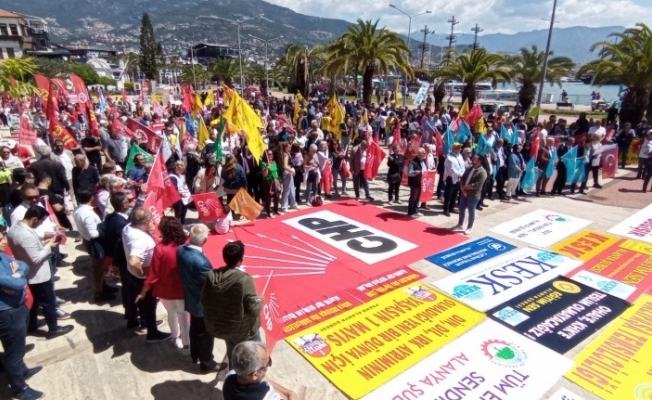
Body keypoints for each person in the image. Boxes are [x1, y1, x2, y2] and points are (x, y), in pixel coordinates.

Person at [7, 206, 73, 339]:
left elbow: (28, 242)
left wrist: (43, 237)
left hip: (27, 273)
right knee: (48, 302)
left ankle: (31, 325)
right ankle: (53, 329)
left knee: (34, 302)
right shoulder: (26, 235)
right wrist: (49, 247)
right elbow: (36, 258)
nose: (40, 225)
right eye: (40, 221)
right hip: (39, 275)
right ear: (34, 219)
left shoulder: (14, 229)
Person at [0, 227, 44, 400]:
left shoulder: (2, 256)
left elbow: (22, 265)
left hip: (17, 307)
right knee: (14, 354)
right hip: (8, 313)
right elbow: (17, 284)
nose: (5, 241)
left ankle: (22, 371)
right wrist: (18, 275)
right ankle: (19, 388)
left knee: (16, 347)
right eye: (0, 239)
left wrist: (17, 273)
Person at [202, 240, 262, 365]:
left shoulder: (212, 275)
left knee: (233, 355)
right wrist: (260, 301)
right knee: (254, 357)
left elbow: (203, 299)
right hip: (242, 330)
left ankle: (233, 371)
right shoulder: (244, 280)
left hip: (222, 326)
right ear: (241, 260)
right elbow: (253, 309)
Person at [136, 217, 190, 355]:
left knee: (171, 313)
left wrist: (143, 290)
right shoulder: (187, 244)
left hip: (166, 289)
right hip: (183, 288)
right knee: (183, 316)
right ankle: (186, 345)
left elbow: (153, 274)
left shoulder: (160, 248)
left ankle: (174, 336)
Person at [177, 224, 223, 373]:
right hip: (201, 303)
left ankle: (195, 354)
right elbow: (213, 284)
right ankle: (207, 363)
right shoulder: (201, 263)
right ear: (204, 241)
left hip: (190, 296)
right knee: (205, 334)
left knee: (195, 328)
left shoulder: (181, 250)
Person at [122, 208, 171, 342]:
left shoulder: (128, 227)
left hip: (131, 274)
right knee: (150, 305)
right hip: (142, 277)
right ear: (145, 222)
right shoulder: (140, 239)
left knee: (139, 299)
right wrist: (143, 273)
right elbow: (134, 261)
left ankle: (141, 321)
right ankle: (152, 333)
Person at [73, 190, 115, 303]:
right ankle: (99, 294)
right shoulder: (87, 214)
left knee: (100, 268)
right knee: (98, 269)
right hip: (94, 243)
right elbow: (93, 234)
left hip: (87, 240)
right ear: (92, 198)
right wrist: (103, 229)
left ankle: (103, 286)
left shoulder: (78, 210)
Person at [223, 341, 299, 400]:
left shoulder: (230, 377)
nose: (268, 365)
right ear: (255, 375)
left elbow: (265, 380)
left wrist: (288, 393)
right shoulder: (268, 397)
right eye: (267, 364)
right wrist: (291, 394)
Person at [452, 155, 487, 235]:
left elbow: (477, 185)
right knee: (461, 209)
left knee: (471, 212)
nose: (473, 159)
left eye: (475, 159)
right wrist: (462, 188)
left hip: (473, 196)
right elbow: (463, 178)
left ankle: (469, 227)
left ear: (479, 161)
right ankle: (460, 224)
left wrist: (464, 188)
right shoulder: (469, 168)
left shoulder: (482, 172)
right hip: (464, 193)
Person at [442, 143, 465, 217]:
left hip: (459, 178)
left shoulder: (460, 156)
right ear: (454, 148)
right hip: (451, 177)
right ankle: (446, 209)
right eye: (458, 148)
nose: (459, 149)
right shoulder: (449, 157)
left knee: (455, 193)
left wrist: (462, 173)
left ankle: (451, 207)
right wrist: (459, 174)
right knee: (448, 194)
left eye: (460, 147)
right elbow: (451, 168)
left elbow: (462, 166)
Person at [260, 149, 281, 218]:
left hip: (276, 181)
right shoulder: (263, 163)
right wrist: (266, 167)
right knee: (268, 197)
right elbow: (264, 175)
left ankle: (276, 210)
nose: (271, 155)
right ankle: (268, 212)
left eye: (272, 154)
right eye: (269, 154)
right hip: (268, 182)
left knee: (277, 196)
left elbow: (276, 171)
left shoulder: (274, 162)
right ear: (266, 155)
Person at [277, 142, 298, 211]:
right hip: (286, 173)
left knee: (292, 189)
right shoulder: (285, 155)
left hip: (288, 172)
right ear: (285, 148)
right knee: (286, 190)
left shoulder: (286, 153)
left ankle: (293, 204)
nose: (290, 147)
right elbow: (285, 166)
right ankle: (284, 206)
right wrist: (292, 171)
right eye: (289, 147)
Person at [407, 148, 426, 218]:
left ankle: (416, 210)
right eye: (422, 153)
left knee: (418, 198)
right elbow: (409, 173)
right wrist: (414, 172)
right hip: (414, 183)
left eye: (424, 153)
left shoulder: (423, 162)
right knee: (413, 197)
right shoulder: (413, 162)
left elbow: (425, 170)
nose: (424, 155)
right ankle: (410, 212)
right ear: (418, 154)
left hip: (421, 182)